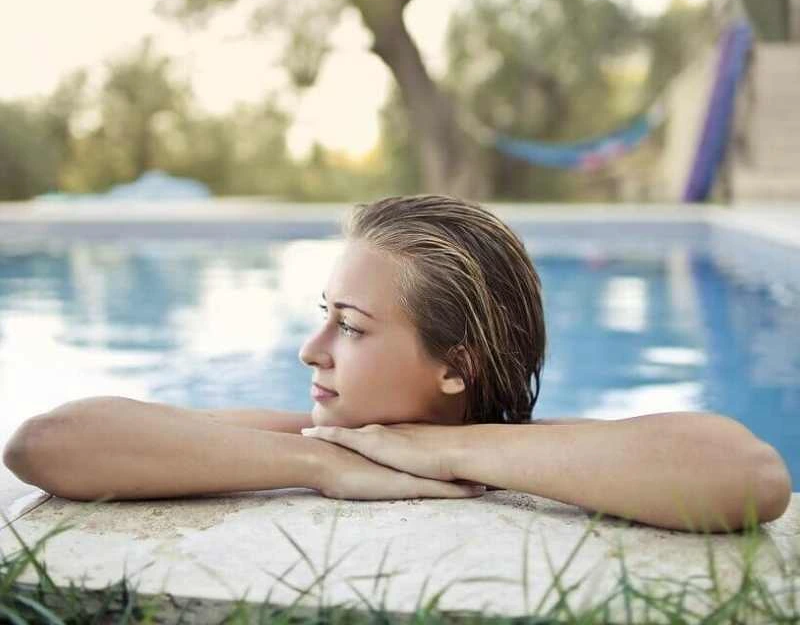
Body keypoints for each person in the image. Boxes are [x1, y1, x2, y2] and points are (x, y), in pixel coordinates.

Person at [3, 195, 792, 532]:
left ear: (455, 367)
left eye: (350, 326)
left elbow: (750, 476)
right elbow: (46, 444)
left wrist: (446, 449)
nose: (312, 350)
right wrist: (323, 469)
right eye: (325, 317)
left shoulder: (553, 451)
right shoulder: (314, 441)